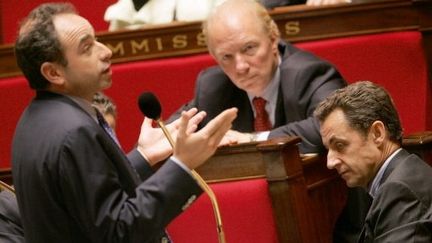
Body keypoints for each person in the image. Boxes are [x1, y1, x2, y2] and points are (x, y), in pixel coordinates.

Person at [12, 3, 237, 243]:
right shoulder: (75, 132)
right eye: (87, 48)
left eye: (97, 39)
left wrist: (143, 157)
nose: (106, 51)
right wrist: (182, 164)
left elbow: (85, 201)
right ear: (54, 73)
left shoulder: (33, 122)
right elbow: (119, 233)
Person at [169, 0, 346, 154]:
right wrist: (151, 146)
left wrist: (253, 140)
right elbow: (173, 131)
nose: (240, 67)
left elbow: (334, 126)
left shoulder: (309, 73)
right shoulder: (214, 87)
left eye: (249, 48)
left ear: (273, 38)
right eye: (226, 57)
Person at [314, 81, 432, 242]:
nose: (330, 162)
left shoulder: (400, 189)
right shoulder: (398, 178)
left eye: (340, 145)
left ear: (377, 134)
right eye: (328, 149)